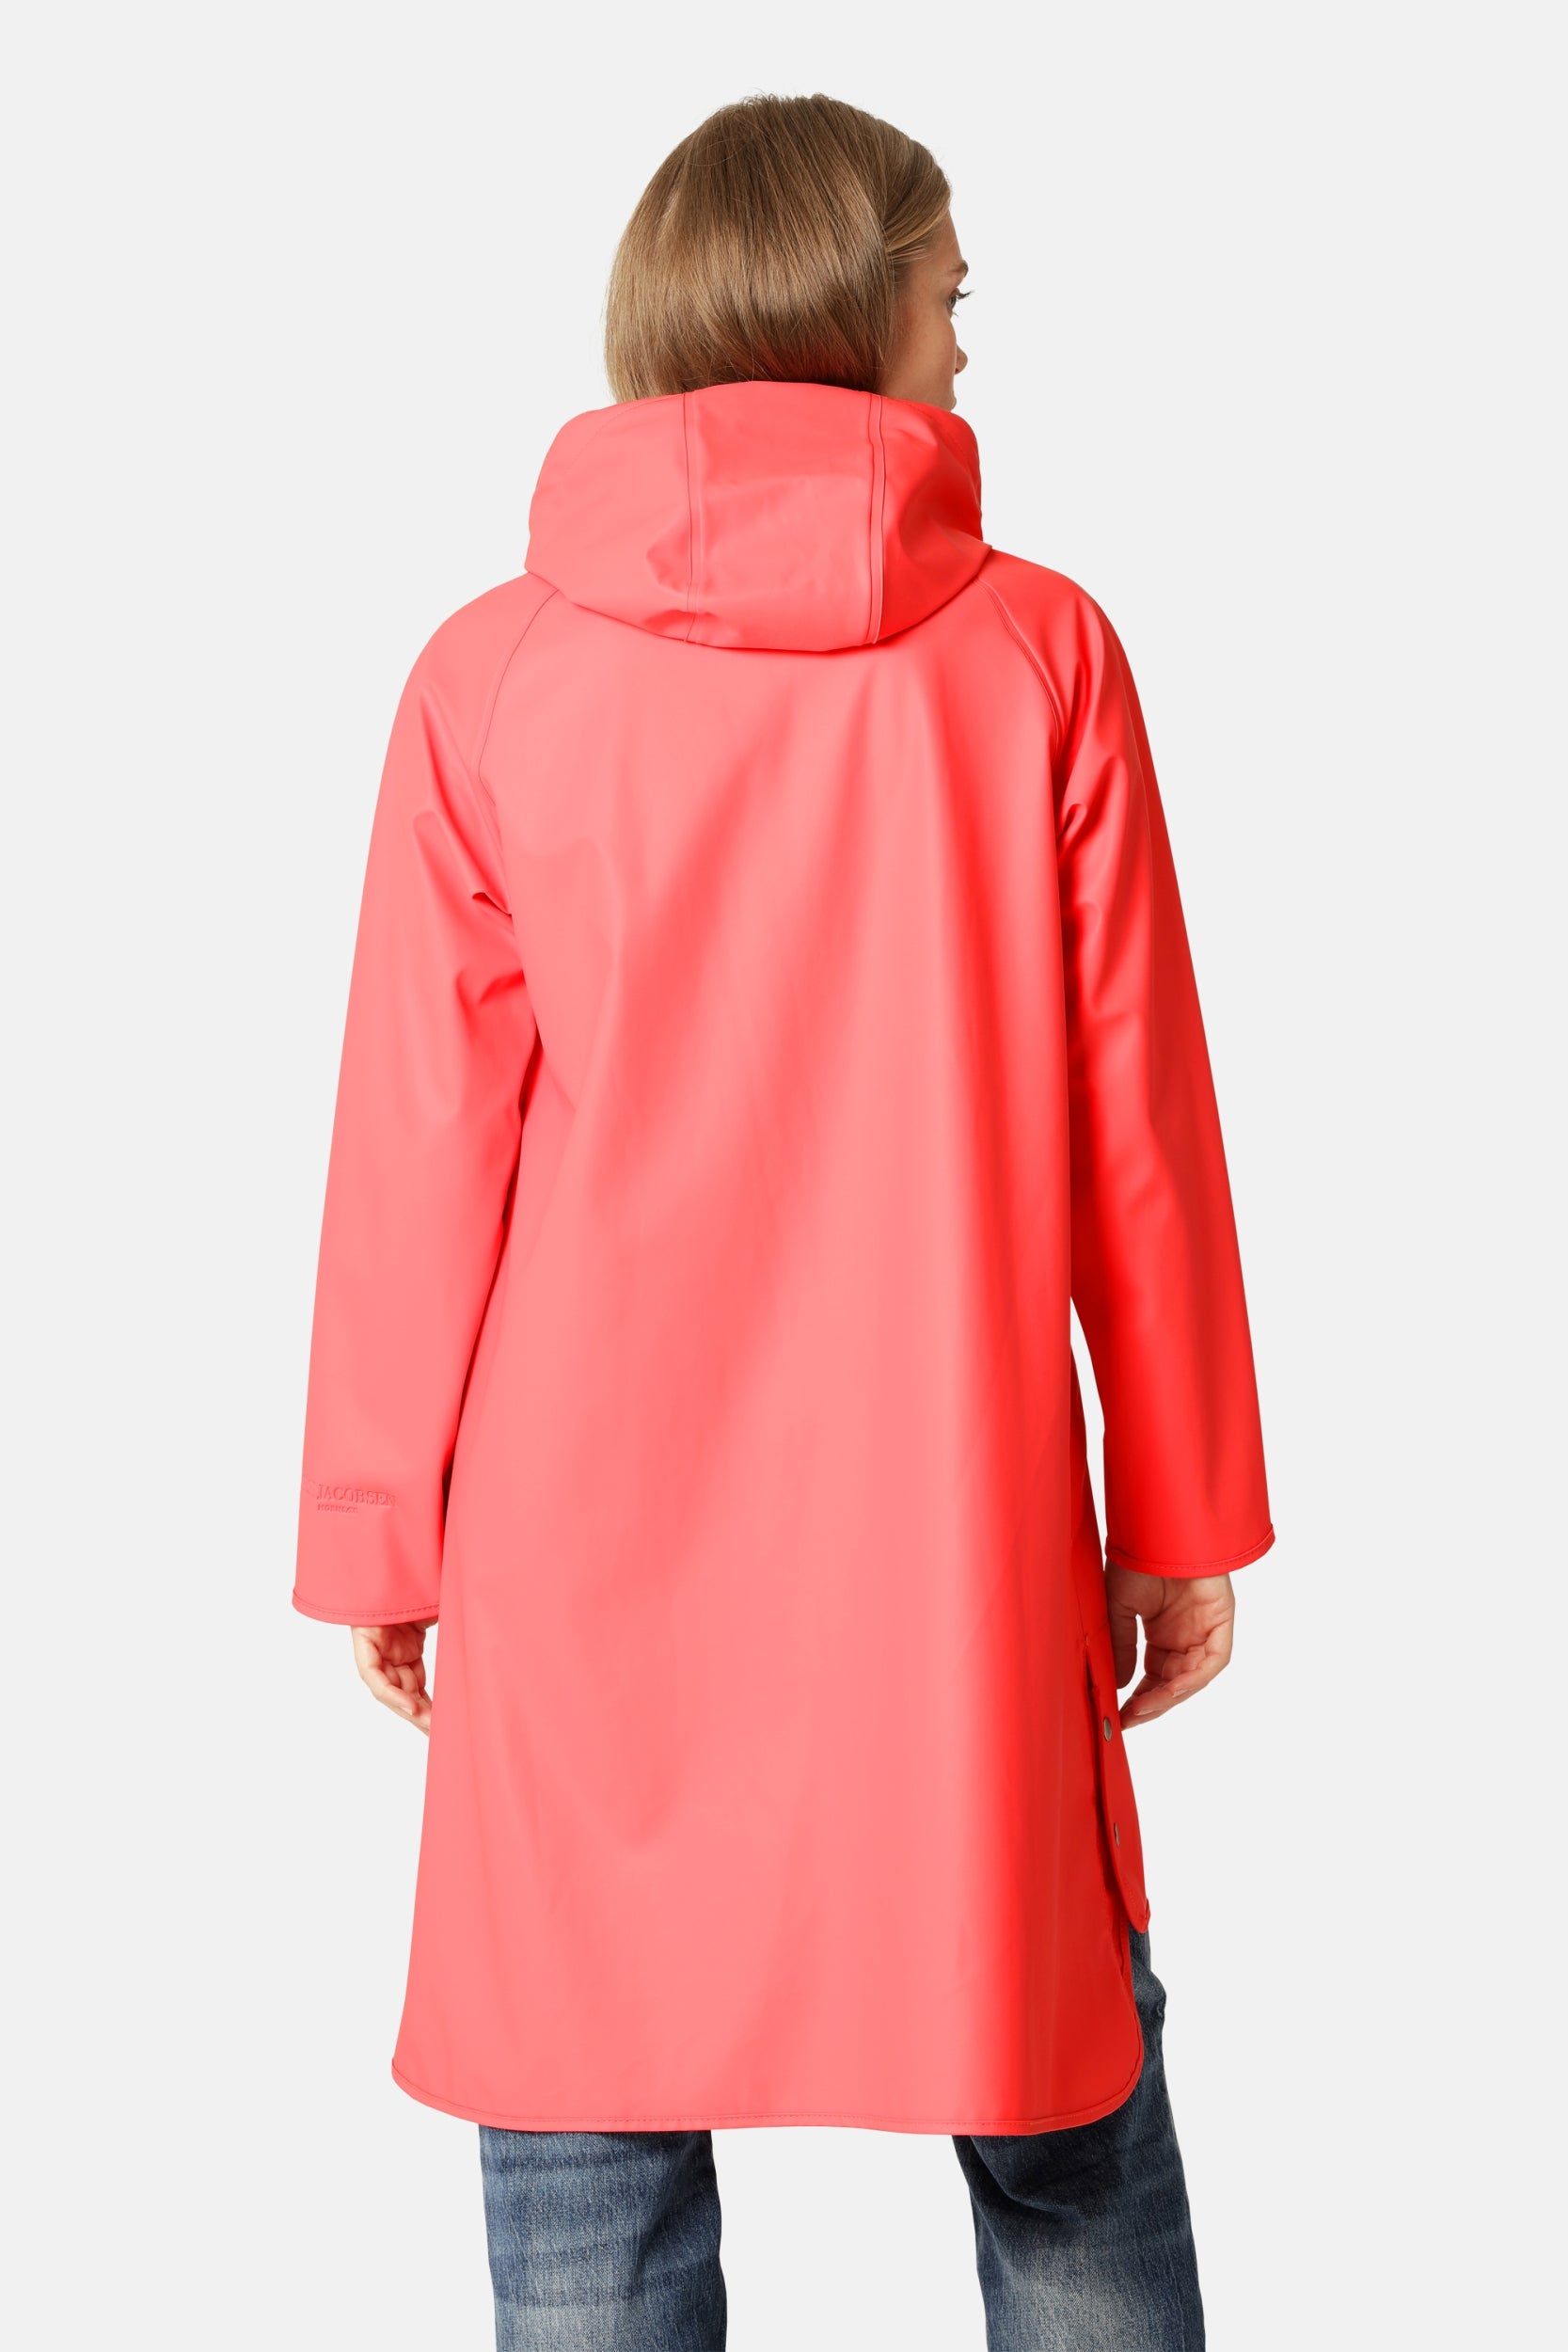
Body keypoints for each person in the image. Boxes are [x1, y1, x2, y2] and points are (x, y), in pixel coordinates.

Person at [293, 92, 1272, 2352]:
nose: (968, 348)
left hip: (577, 1543)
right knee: (1062, 2115)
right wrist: (1178, 1501)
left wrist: (381, 1528)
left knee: (585, 2140)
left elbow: (417, 1144)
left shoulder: (491, 674)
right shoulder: (1038, 652)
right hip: (950, 1529)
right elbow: (1137, 1120)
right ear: (855, 305)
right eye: (952, 297)